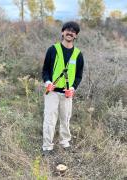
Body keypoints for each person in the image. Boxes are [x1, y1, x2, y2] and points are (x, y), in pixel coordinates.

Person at [42, 21, 84, 154]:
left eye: (73, 31)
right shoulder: (53, 49)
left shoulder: (78, 54)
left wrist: (73, 88)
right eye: (67, 30)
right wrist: (48, 81)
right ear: (62, 32)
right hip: (52, 93)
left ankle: (64, 142)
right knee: (50, 120)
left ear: (76, 35)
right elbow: (45, 70)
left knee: (65, 119)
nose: (70, 32)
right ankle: (47, 146)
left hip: (67, 95)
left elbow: (78, 76)